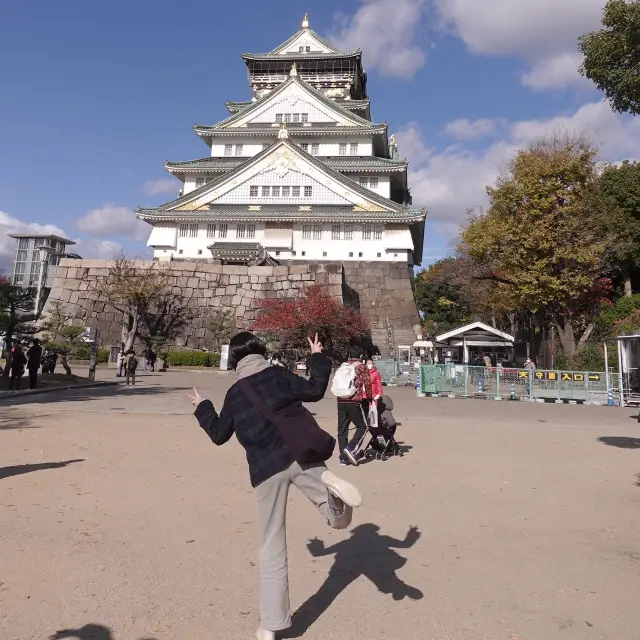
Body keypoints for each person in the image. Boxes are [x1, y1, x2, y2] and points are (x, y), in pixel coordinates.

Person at [187, 331, 362, 640]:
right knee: (336, 519)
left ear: (236, 360)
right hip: (301, 456)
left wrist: (202, 406)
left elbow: (218, 434)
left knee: (272, 545)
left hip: (266, 470)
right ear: (259, 351)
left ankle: (272, 625)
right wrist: (317, 355)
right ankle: (332, 499)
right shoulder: (278, 374)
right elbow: (315, 389)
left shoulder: (234, 394)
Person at [336, 346, 372, 466]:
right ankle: (350, 448)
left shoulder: (343, 366)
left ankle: (343, 458)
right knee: (363, 426)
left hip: (340, 400)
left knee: (342, 429)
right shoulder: (362, 367)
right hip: (355, 401)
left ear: (349, 355)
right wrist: (369, 399)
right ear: (361, 355)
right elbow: (367, 384)